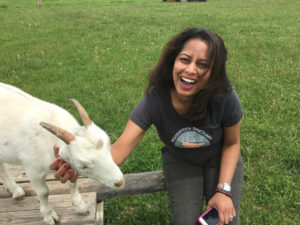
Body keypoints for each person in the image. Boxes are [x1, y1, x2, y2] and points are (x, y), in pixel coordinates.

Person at [50, 27, 244, 225]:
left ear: (214, 72)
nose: (191, 70)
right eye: (185, 59)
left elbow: (231, 144)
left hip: (220, 157)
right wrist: (79, 165)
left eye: (203, 65)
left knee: (225, 220)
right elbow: (119, 150)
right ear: (173, 61)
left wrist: (223, 190)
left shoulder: (224, 96)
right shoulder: (156, 99)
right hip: (181, 160)